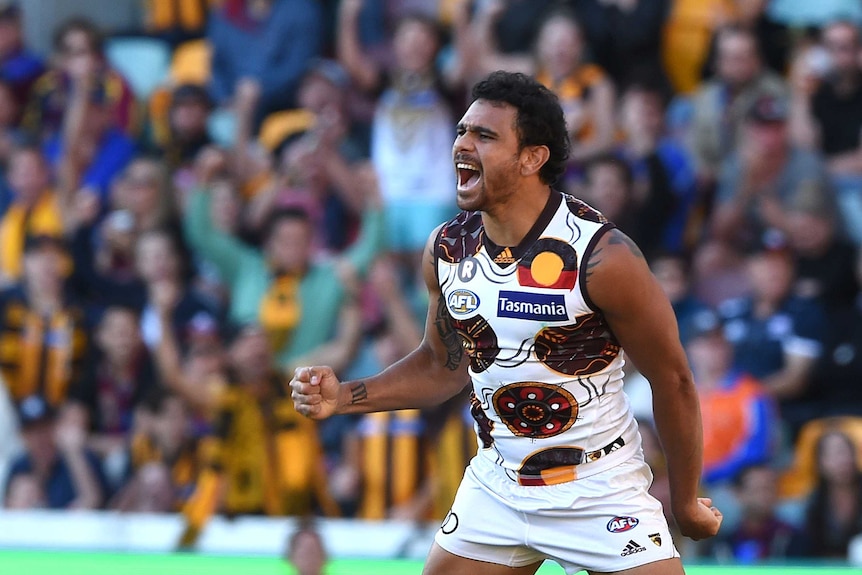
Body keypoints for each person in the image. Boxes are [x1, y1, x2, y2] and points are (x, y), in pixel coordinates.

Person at [292, 71, 722, 574]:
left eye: (485, 136)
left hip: (598, 486)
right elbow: (441, 366)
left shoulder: (602, 256)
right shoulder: (448, 249)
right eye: (461, 131)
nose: (462, 145)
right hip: (496, 485)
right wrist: (343, 396)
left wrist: (687, 500)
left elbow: (672, 380)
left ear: (532, 158)